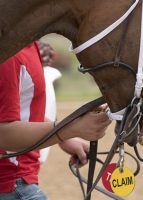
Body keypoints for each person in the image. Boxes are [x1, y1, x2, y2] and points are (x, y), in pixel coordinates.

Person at [0, 41, 111, 200]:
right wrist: (70, 129)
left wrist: (64, 137)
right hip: (11, 184)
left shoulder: (29, 46)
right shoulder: (10, 54)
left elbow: (25, 111)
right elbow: (3, 134)